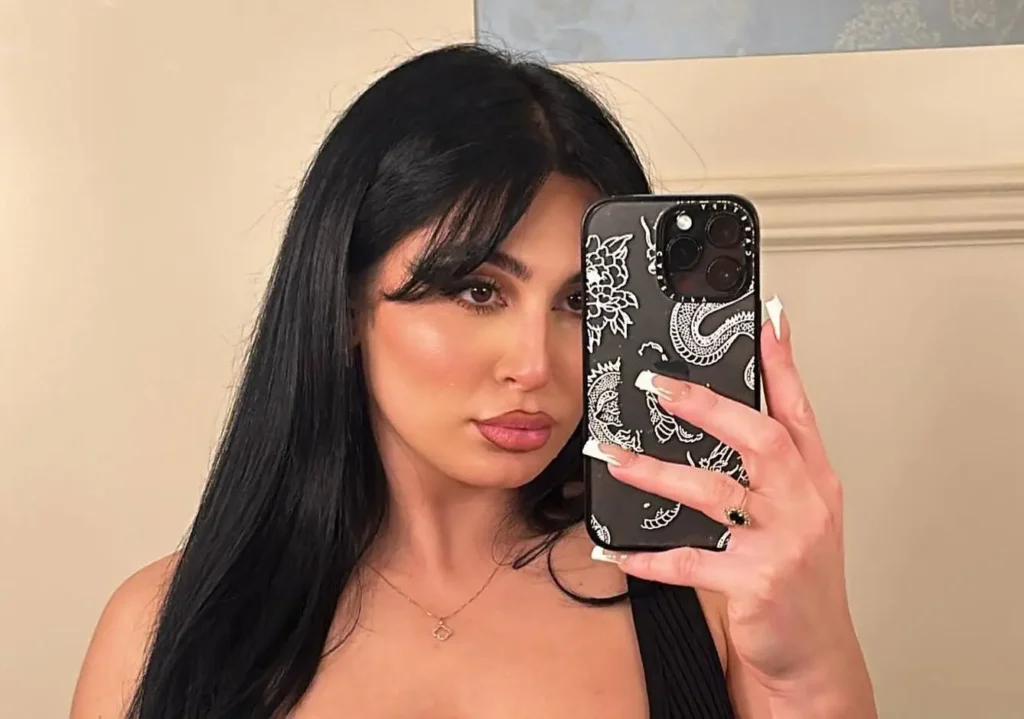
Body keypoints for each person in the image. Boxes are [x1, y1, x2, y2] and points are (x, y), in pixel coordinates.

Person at [70, 43, 876, 718]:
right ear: (345, 305)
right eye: (477, 290)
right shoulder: (157, 629)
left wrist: (814, 665)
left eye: (579, 302)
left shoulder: (710, 598)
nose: (535, 364)